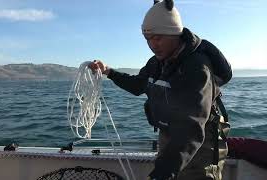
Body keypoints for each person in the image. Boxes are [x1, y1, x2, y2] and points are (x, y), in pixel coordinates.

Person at [89, 0, 232, 179]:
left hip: (199, 140)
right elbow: (138, 85)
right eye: (147, 38)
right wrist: (108, 72)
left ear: (175, 33)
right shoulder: (156, 63)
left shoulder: (197, 67)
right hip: (169, 133)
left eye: (158, 38)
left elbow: (192, 127)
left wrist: (160, 175)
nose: (152, 44)